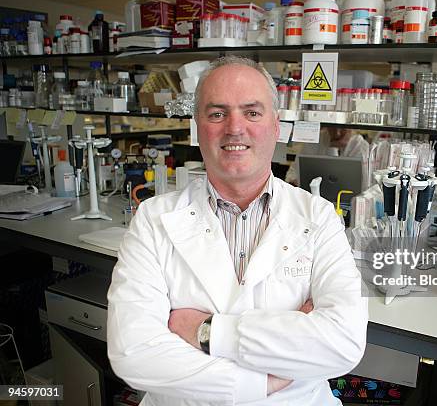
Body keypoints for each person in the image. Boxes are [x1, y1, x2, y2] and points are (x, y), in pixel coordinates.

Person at [107, 56, 368, 406]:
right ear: (197, 126)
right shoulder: (154, 219)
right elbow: (133, 352)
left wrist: (204, 331)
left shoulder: (318, 217)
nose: (235, 127)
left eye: (252, 112)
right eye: (217, 113)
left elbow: (343, 343)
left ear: (276, 125)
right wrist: (264, 381)